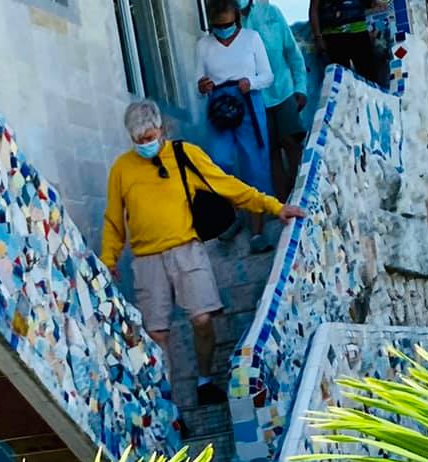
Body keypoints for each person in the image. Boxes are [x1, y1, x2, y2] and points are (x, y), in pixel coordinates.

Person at [101, 99, 303, 407]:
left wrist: (275, 207)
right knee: (157, 334)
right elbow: (114, 219)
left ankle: (205, 380)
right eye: (138, 140)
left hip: (187, 250)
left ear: (161, 129)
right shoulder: (121, 169)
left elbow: (229, 186)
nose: (144, 144)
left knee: (203, 319)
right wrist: (109, 260)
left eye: (149, 137)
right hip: (147, 260)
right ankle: (168, 405)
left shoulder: (185, 154)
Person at [195, 0, 274, 244]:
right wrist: (202, 86)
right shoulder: (203, 45)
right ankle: (232, 217)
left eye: (227, 24)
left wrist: (251, 83)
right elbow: (197, 84)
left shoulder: (252, 38)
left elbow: (267, 76)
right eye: (217, 26)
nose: (223, 30)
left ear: (236, 18)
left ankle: (258, 229)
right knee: (219, 162)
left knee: (255, 163)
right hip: (219, 106)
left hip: (247, 101)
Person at [225, 0, 308, 203]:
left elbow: (292, 53)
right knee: (270, 153)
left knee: (292, 143)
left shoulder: (272, 14)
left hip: (282, 91)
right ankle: (283, 206)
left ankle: (301, 199)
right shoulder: (228, 28)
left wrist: (300, 87)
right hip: (253, 101)